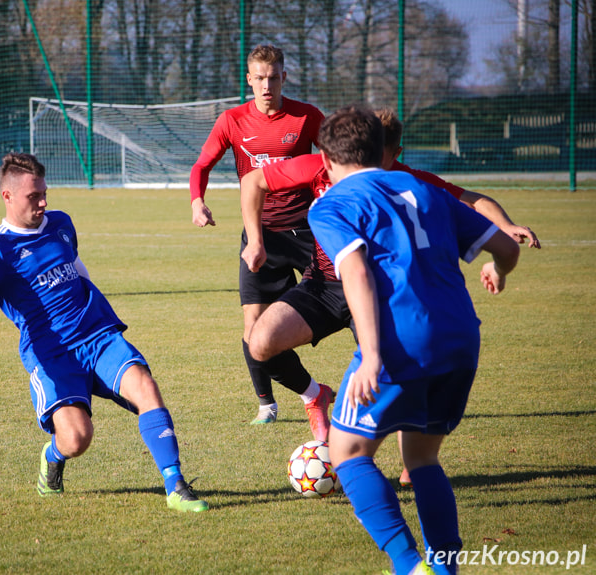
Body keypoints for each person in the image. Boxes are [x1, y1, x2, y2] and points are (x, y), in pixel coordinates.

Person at [239, 107, 541, 446]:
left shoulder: (408, 181)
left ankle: (414, 460)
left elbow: (471, 200)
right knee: (259, 342)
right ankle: (315, 395)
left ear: (392, 154)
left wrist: (506, 226)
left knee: (397, 377)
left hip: (384, 291)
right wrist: (255, 239)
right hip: (325, 284)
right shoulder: (322, 168)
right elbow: (254, 180)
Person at [308, 105, 519, 575]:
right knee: (422, 456)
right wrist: (496, 270)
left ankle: (408, 565)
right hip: (461, 341)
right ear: (382, 150)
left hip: (403, 344)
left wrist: (372, 357)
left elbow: (357, 272)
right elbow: (506, 246)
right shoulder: (427, 191)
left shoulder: (331, 205)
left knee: (347, 453)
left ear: (326, 159)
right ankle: (445, 568)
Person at [0, 152, 208, 513]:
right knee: (78, 438)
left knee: (145, 386)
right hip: (52, 354)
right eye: (34, 196)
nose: (43, 201)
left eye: (44, 192)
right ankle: (52, 457)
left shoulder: (61, 223)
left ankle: (176, 487)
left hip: (97, 335)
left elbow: (76, 267)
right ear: (8, 196)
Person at [189, 44, 333, 432]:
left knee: (348, 303)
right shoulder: (232, 121)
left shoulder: (307, 117)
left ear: (284, 77)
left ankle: (379, 386)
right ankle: (272, 403)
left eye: (274, 77)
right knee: (252, 328)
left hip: (309, 232)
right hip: (260, 236)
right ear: (249, 80)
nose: (267, 85)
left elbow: (337, 159)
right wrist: (197, 202)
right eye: (260, 78)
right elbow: (202, 164)